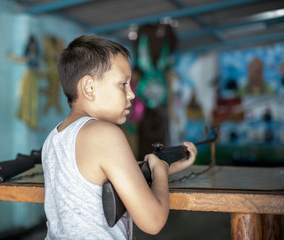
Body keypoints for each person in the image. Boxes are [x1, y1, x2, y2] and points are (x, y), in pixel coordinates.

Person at [41, 35, 197, 240]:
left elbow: (98, 177)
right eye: (123, 84)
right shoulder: (105, 134)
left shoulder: (53, 138)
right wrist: (159, 170)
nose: (131, 94)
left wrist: (165, 168)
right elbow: (153, 221)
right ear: (89, 88)